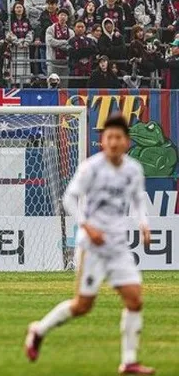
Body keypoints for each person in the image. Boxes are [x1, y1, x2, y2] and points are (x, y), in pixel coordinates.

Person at [25, 114, 155, 376]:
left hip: (118, 245)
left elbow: (139, 199)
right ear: (103, 141)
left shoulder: (133, 170)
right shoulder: (91, 168)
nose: (114, 142)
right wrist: (87, 226)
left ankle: (128, 361)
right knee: (82, 306)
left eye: (119, 137)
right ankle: (38, 330)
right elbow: (69, 199)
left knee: (135, 300)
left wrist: (144, 223)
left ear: (127, 142)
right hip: (92, 245)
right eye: (110, 137)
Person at [45, 8, 74, 87]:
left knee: (64, 87)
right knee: (51, 86)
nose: (63, 17)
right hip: (52, 61)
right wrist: (64, 42)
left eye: (65, 15)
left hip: (65, 62)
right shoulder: (50, 29)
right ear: (57, 16)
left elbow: (71, 45)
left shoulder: (71, 32)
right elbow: (50, 42)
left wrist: (59, 44)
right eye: (61, 15)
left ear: (67, 18)